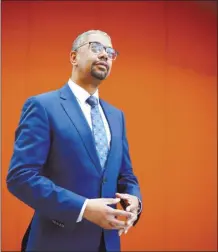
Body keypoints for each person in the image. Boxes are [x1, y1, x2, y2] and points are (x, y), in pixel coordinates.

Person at [6, 29, 142, 252]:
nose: (104, 55)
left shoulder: (117, 116)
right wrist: (83, 208)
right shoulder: (43, 106)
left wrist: (135, 201)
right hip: (56, 243)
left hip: (107, 244)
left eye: (110, 52)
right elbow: (20, 177)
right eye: (96, 47)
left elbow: (125, 176)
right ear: (73, 57)